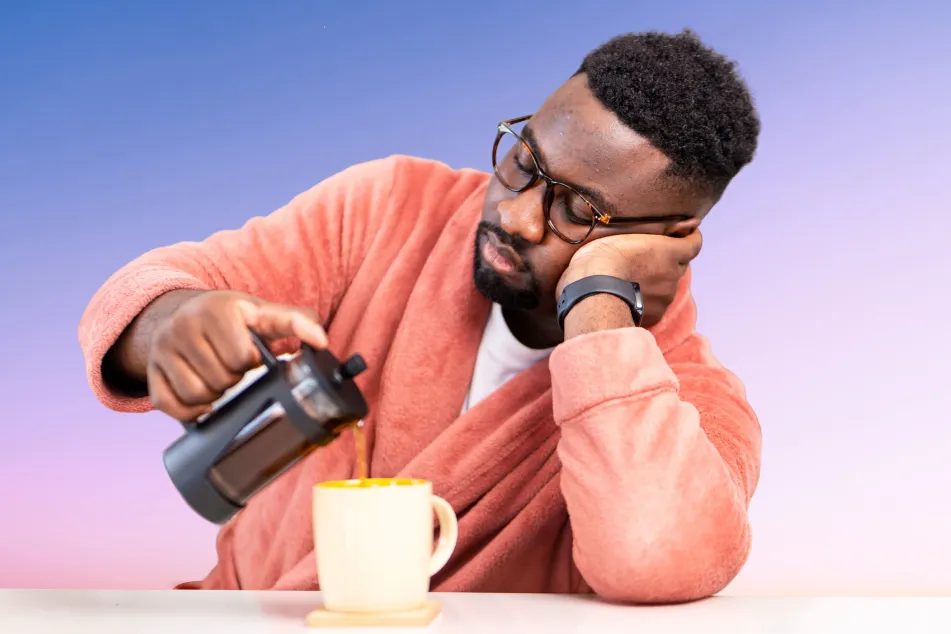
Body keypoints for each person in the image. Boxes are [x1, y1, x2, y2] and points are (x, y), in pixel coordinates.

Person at [79, 29, 762, 603]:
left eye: (579, 212)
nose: (516, 215)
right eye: (523, 161)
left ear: (670, 239)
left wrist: (601, 310)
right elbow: (163, 285)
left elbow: (652, 556)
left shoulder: (694, 409)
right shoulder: (389, 208)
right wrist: (172, 323)